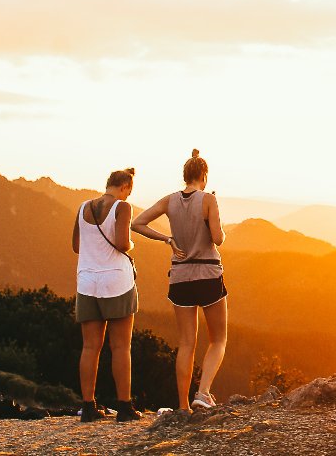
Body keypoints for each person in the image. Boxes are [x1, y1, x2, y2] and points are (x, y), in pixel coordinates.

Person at [132, 150, 229, 412]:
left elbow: (137, 223)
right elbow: (218, 239)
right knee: (218, 339)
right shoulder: (208, 200)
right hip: (208, 275)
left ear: (185, 176)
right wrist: (213, 215)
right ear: (204, 176)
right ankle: (204, 393)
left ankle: (183, 406)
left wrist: (167, 239)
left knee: (186, 343)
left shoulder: (169, 201)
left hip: (180, 277)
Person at [70, 168, 142, 422]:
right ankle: (124, 408)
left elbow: (76, 246)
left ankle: (88, 407)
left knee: (90, 347)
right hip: (116, 282)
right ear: (125, 187)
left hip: (87, 282)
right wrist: (131, 245)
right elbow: (123, 243)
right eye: (129, 191)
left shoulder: (83, 208)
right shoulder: (123, 207)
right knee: (121, 346)